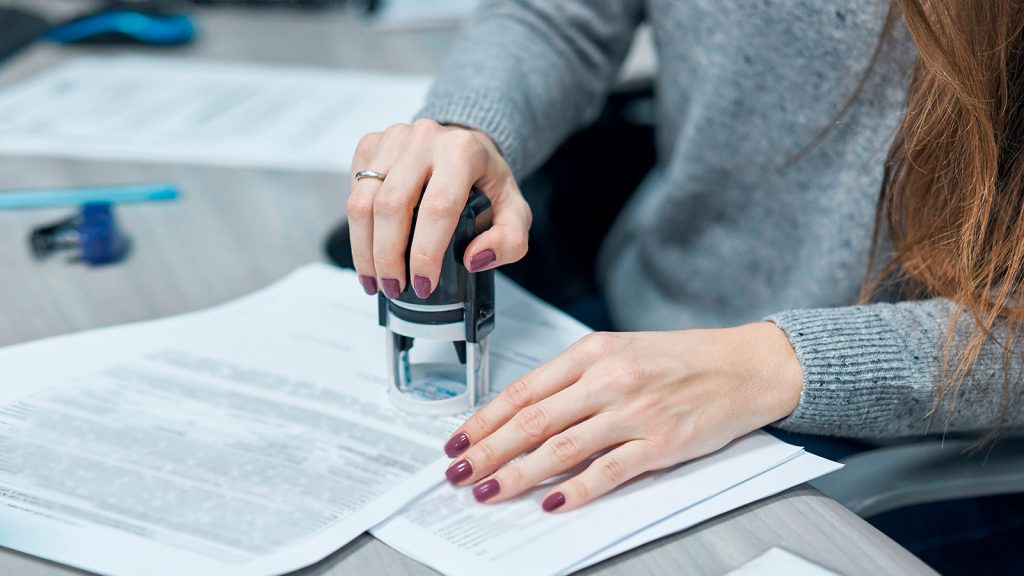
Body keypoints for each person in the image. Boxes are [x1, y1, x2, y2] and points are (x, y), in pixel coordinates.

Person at [343, 0, 1024, 514]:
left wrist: (778, 364)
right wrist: (469, 129)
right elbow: (559, 17)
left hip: (909, 437)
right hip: (642, 321)